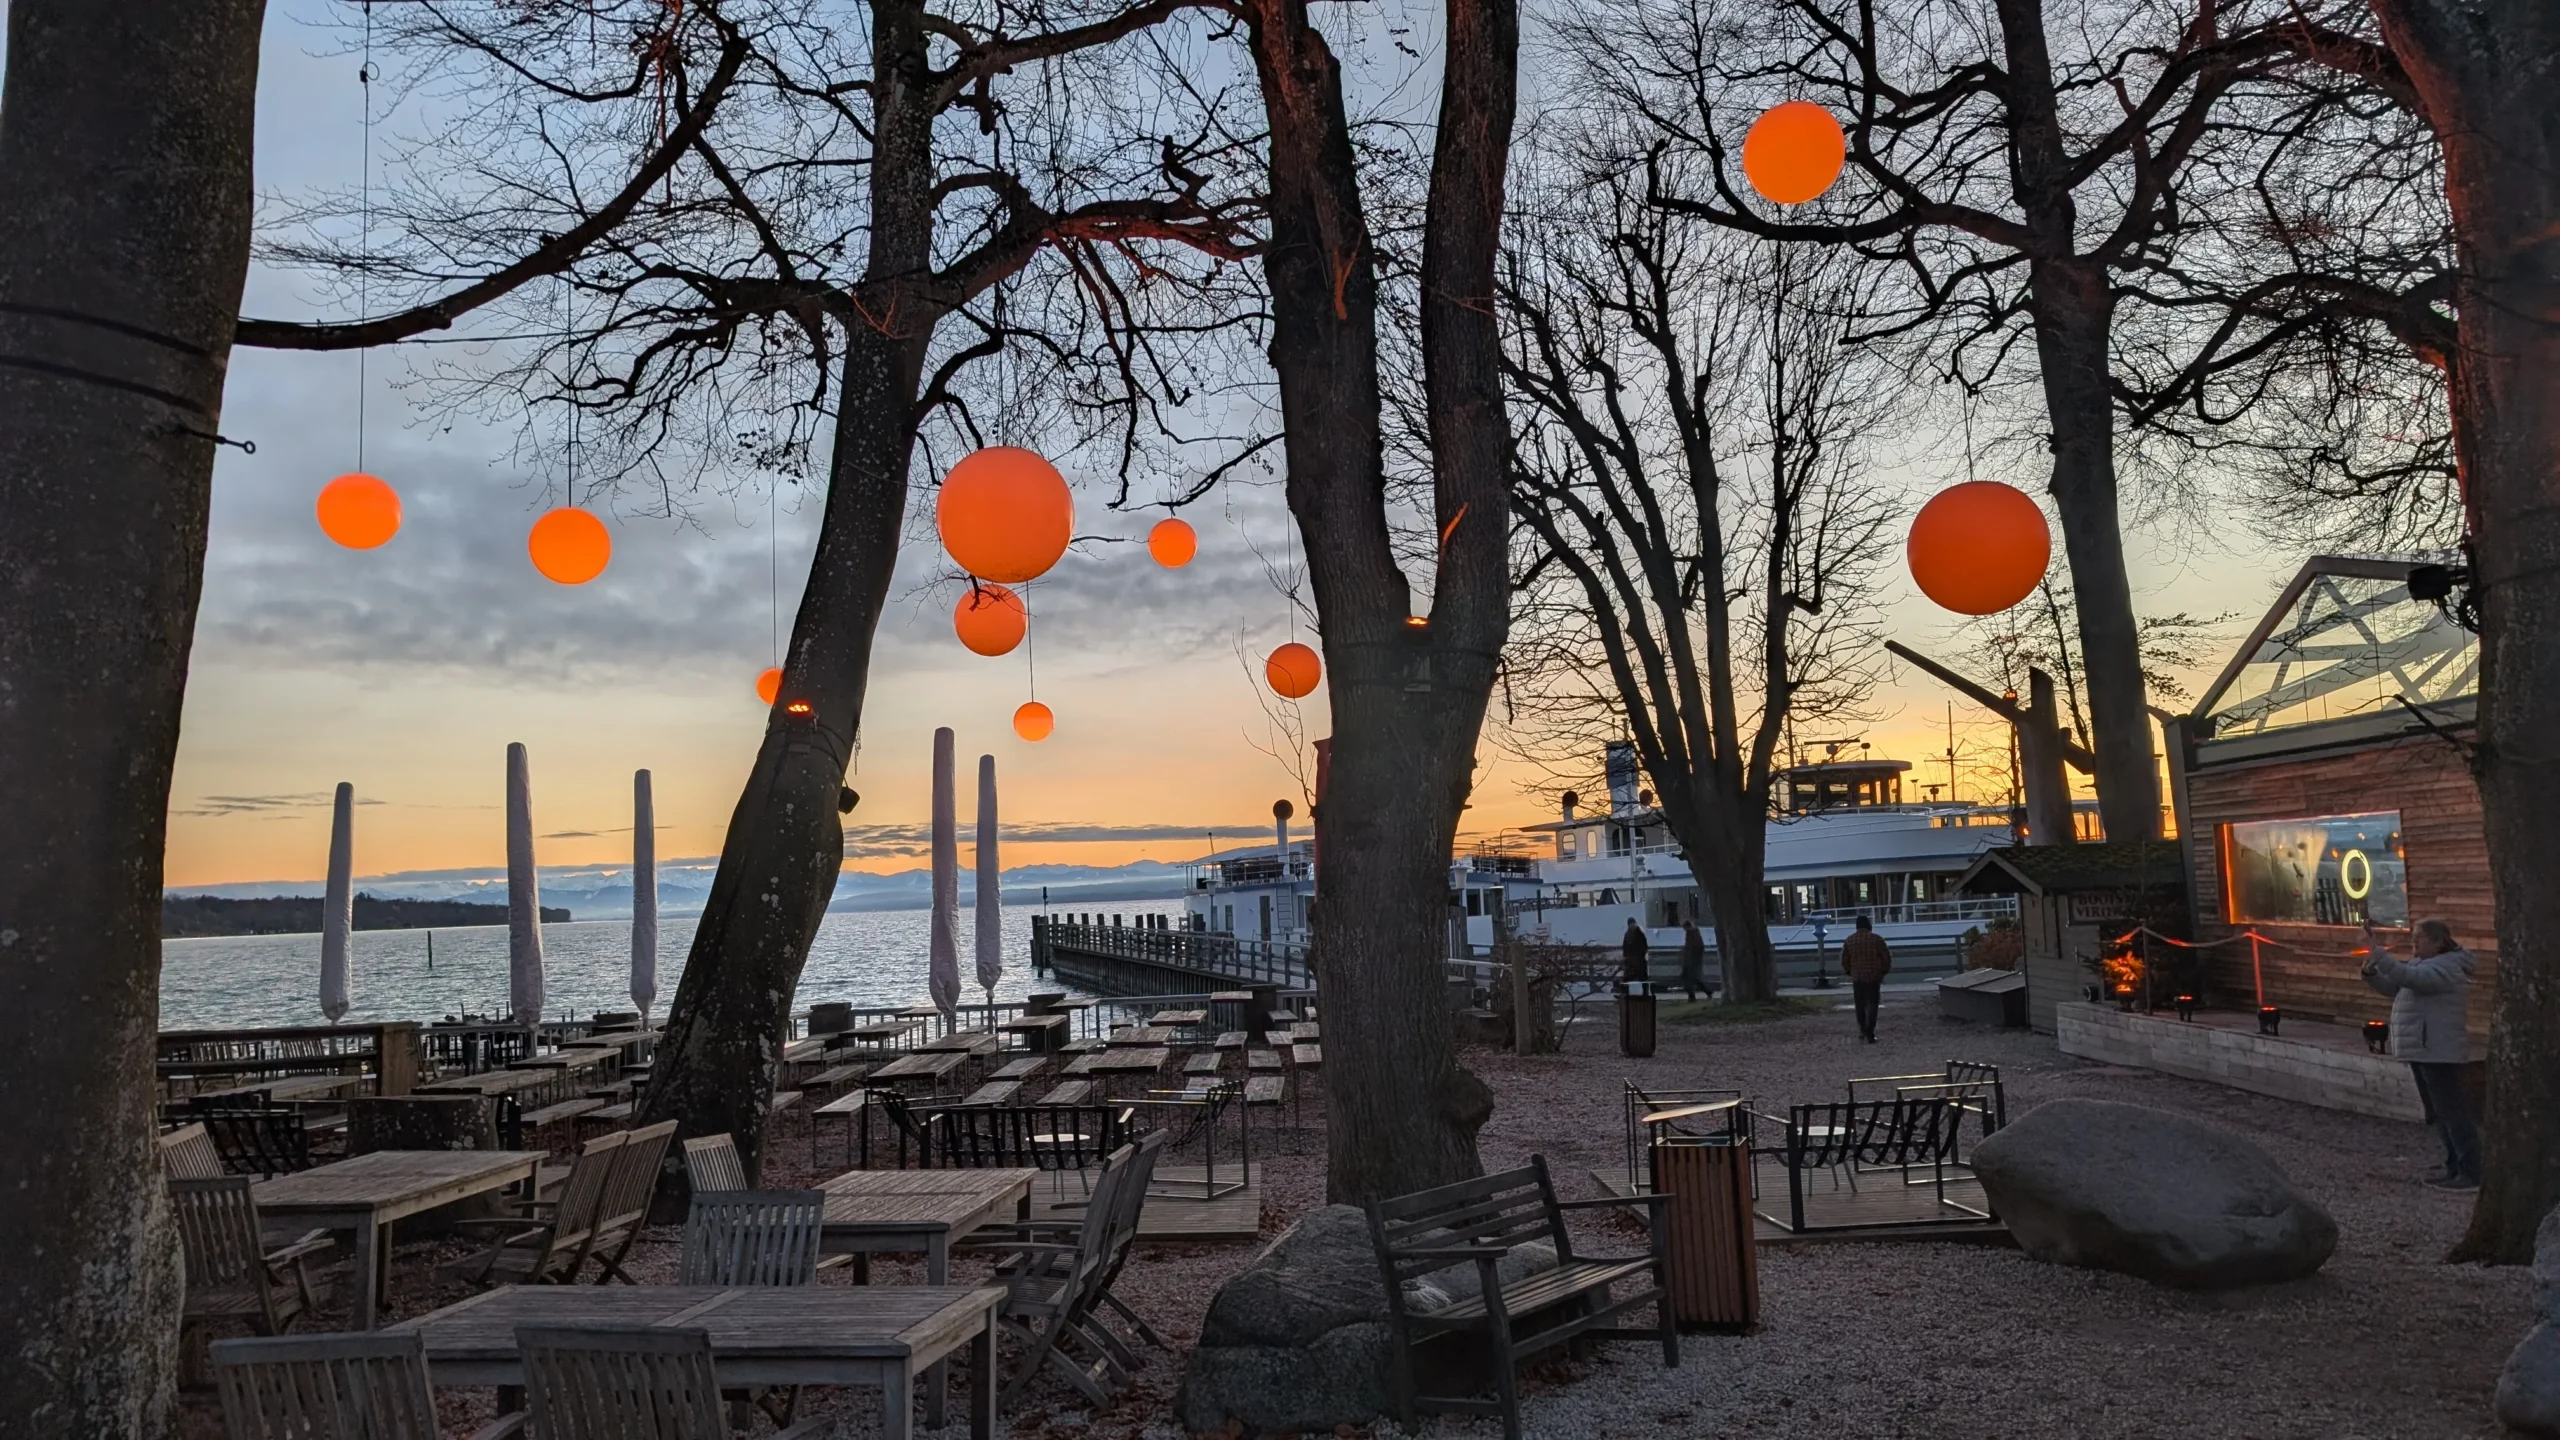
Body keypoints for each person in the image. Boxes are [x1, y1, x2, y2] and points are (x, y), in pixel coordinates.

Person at [2363, 917, 2480, 1190]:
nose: (2413, 942)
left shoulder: (2448, 967)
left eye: (2419, 937)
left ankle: (2472, 1171)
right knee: (2438, 1113)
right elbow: (2397, 987)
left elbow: (2412, 979)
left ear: (2438, 942)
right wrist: (2371, 974)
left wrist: (2378, 953)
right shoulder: (2423, 965)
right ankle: (2454, 1167)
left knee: (2452, 1112)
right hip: (2424, 1048)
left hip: (2439, 1050)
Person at [1840, 915, 1892, 1043]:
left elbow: (1844, 960)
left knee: (1860, 1005)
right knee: (1873, 1004)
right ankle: (1870, 1031)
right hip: (1874, 976)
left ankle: (1863, 1029)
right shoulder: (1877, 939)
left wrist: (1849, 972)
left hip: (1858, 976)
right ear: (1869, 925)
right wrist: (1883, 971)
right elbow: (1886, 957)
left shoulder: (1850, 940)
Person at [1679, 918, 1709, 1001]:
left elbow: (1696, 948)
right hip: (1689, 961)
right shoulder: (1692, 934)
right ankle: (1706, 992)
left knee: (1689, 979)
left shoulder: (1692, 935)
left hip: (1691, 961)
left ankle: (1692, 996)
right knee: (1693, 979)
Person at [1621, 917, 1651, 983]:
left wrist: (1644, 952)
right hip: (1631, 960)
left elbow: (1644, 944)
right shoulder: (1627, 935)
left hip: (1640, 958)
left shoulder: (1640, 933)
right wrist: (1625, 956)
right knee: (1631, 976)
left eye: (1633, 923)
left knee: (1641, 975)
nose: (1632, 925)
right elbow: (1625, 947)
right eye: (1631, 924)